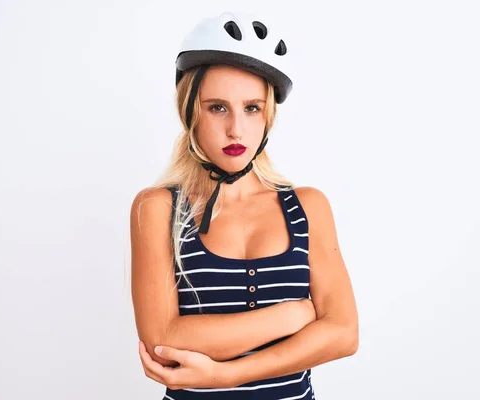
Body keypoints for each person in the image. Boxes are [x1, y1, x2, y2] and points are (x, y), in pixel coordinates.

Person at [130, 11, 358, 400]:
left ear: (267, 114)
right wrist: (293, 315)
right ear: (190, 111)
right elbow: (164, 343)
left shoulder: (307, 207)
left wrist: (223, 374)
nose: (236, 128)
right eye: (217, 107)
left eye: (251, 107)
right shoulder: (158, 209)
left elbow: (343, 334)